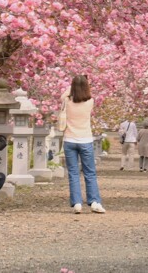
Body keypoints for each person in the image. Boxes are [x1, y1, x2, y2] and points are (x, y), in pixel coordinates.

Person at [59, 74, 106, 214]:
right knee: (90, 173)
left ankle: (77, 203)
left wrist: (72, 86)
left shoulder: (67, 100)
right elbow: (84, 92)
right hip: (85, 140)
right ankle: (94, 202)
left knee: (73, 173)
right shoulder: (90, 101)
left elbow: (65, 94)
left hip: (69, 140)